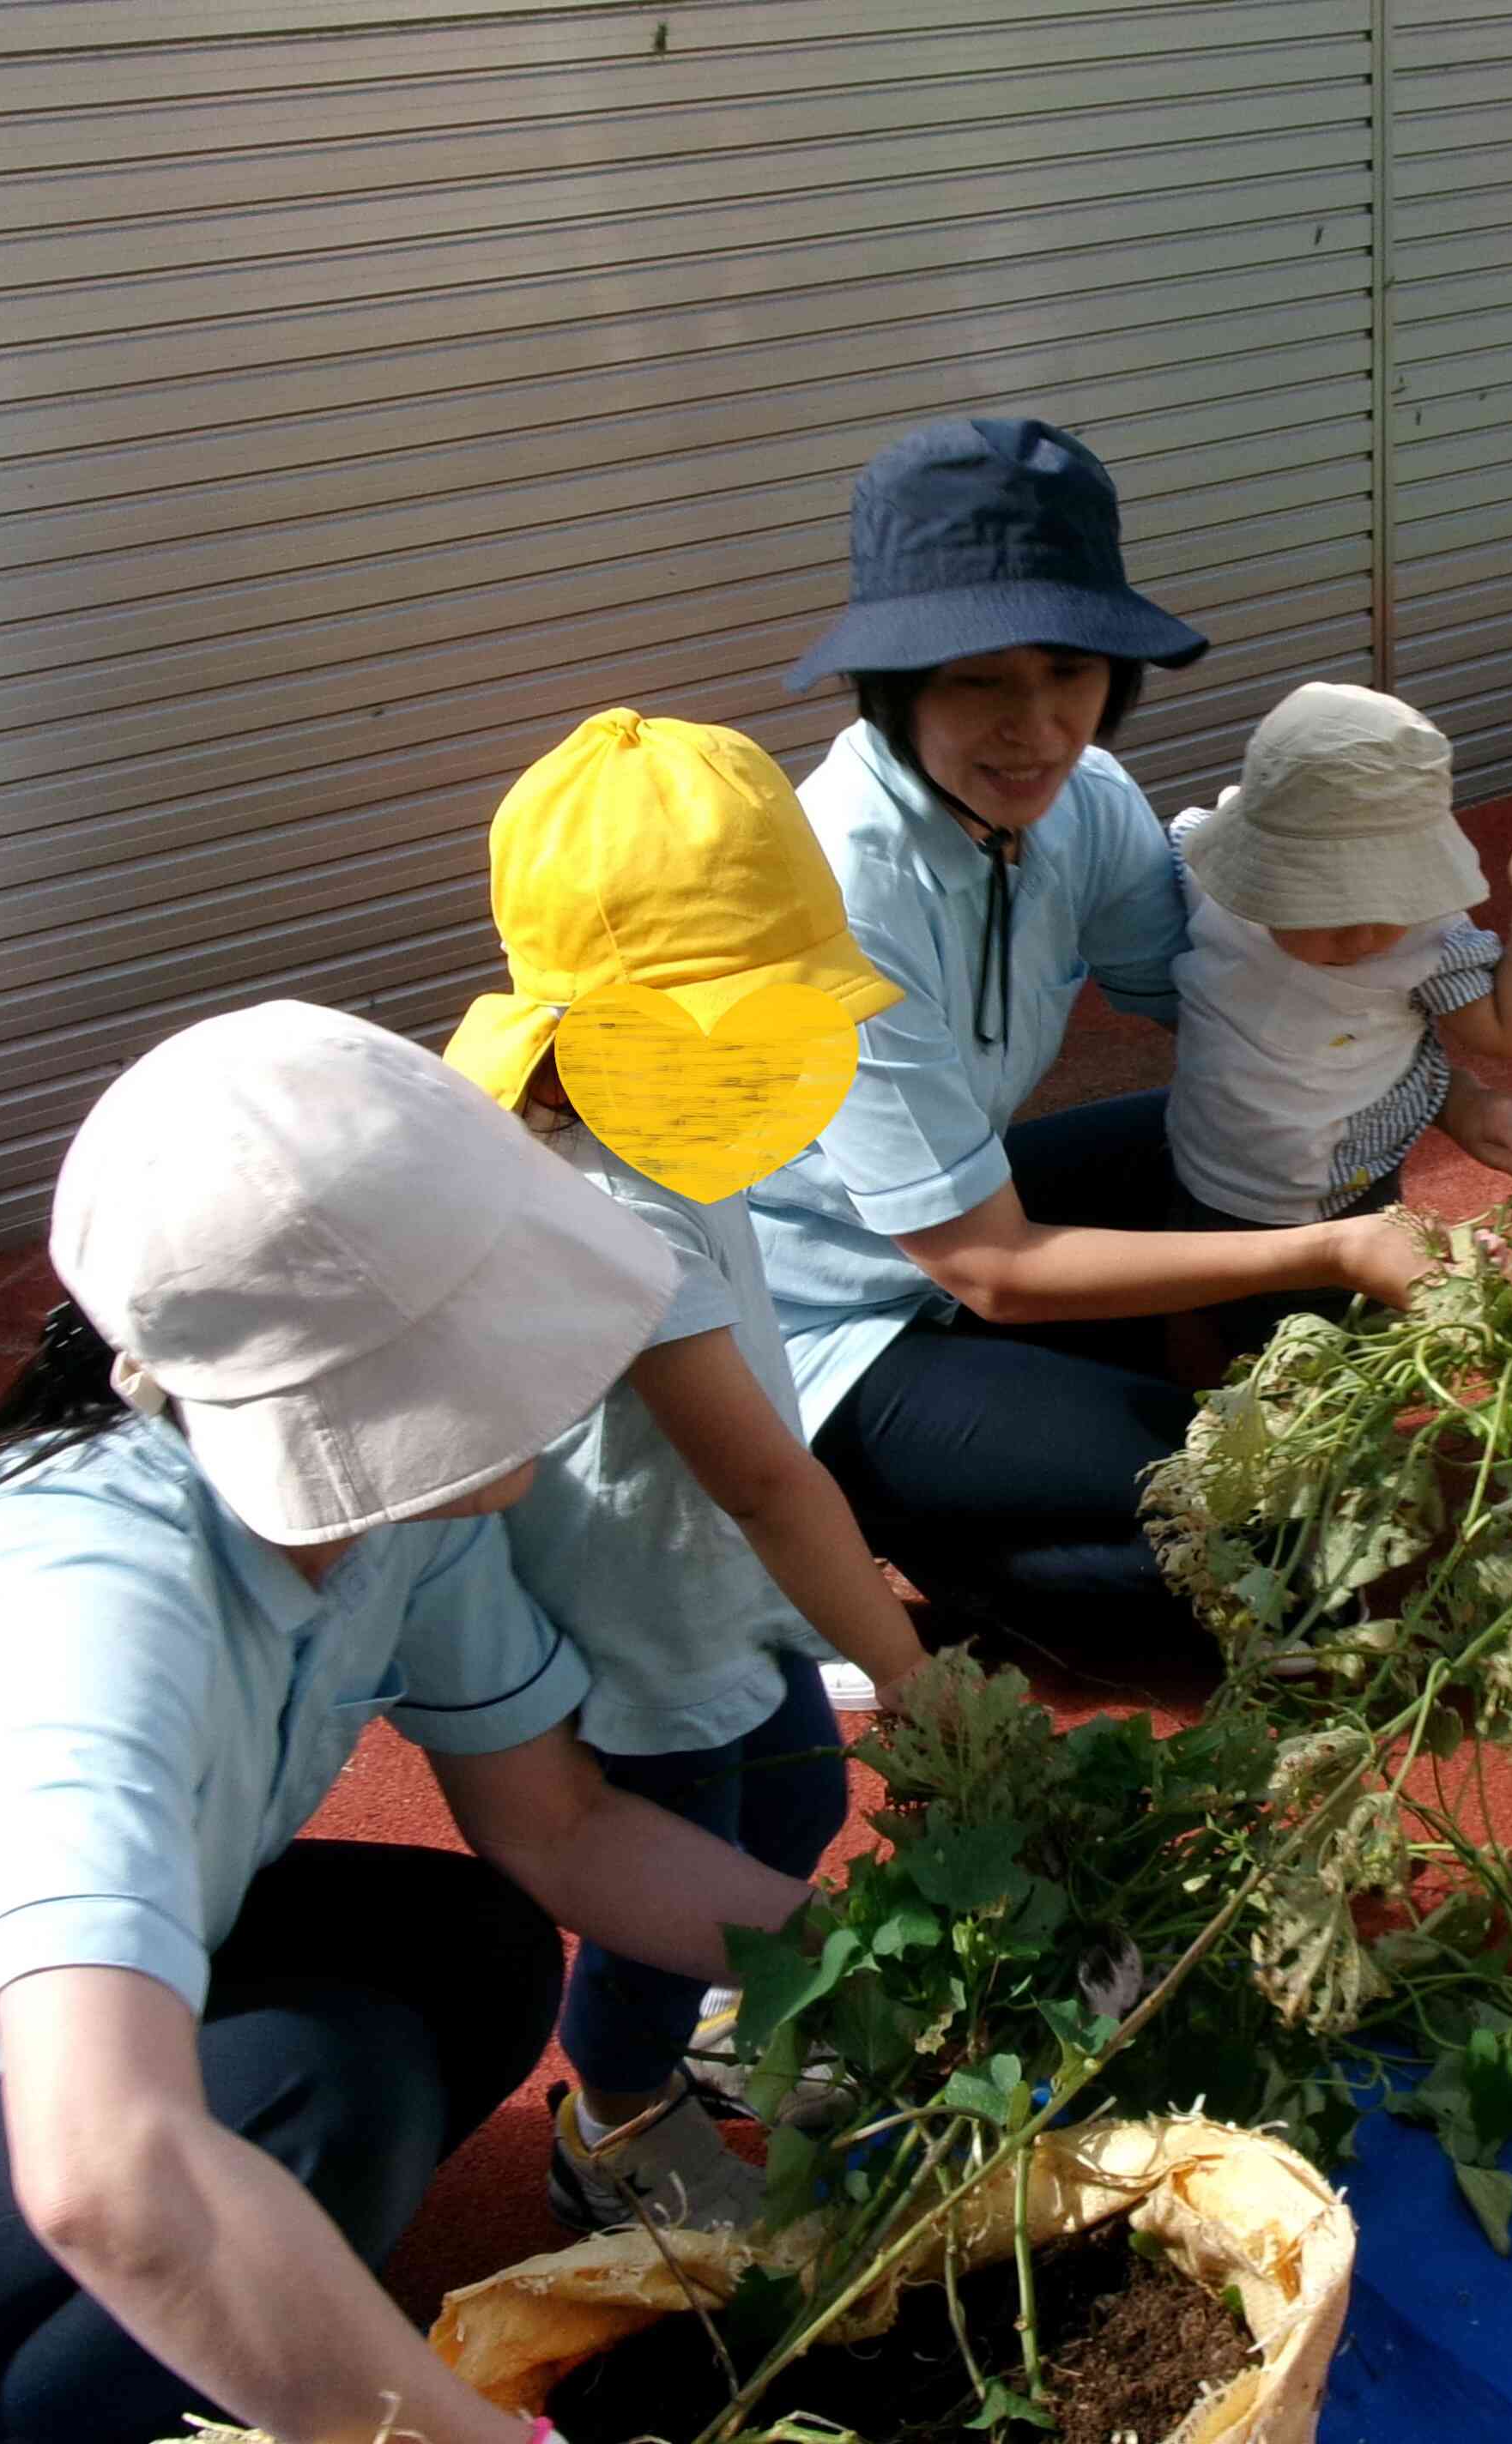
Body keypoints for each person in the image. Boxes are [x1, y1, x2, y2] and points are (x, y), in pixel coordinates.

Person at [0, 1001, 818, 2444]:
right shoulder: (75, 1596)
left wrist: (881, 1965)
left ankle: (217, 2329)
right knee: (312, 2090)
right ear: (362, 1380)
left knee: (473, 1950)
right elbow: (104, 2174)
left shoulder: (399, 1505)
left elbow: (559, 1825)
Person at [750, 417, 1512, 1642]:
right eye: (978, 679)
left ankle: (1002, 1459)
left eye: (1068, 672)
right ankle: (864, 1523)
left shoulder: (1080, 802)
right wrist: (1332, 1249)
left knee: (1300, 1131)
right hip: (828, 1313)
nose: (1035, 727)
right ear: (893, 684)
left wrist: (1462, 1098)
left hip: (963, 1220)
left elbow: (1240, 1012)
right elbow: (987, 1268)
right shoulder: (845, 890)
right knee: (1274, 1549)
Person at [441, 709, 938, 2236]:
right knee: (682, 1869)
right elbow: (763, 1482)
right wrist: (907, 1668)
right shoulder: (614, 1216)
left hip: (712, 1601)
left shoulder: (656, 1137)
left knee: (791, 1807)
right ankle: (615, 2116)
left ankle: (719, 2017)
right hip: (643, 1629)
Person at [1164, 681, 1512, 1240]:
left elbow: (1509, 1033)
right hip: (1202, 1160)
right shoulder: (1197, 865)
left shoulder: (1427, 939)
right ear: (1258, 869)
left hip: (1346, 1185)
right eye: (1329, 909)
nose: (1364, 937)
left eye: (1391, 902)